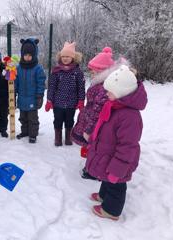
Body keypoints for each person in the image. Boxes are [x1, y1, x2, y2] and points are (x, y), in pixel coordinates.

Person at [85, 65, 147, 220]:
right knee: (107, 179)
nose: (106, 93)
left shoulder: (130, 117)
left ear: (122, 92)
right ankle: (103, 195)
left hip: (118, 161)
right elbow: (102, 124)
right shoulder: (114, 105)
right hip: (108, 154)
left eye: (109, 91)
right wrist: (94, 139)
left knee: (116, 184)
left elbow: (128, 147)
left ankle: (111, 211)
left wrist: (117, 170)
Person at [71, 47, 115, 179]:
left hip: (95, 124)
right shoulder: (99, 83)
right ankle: (91, 166)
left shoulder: (104, 87)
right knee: (92, 147)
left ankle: (93, 171)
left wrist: (89, 129)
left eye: (94, 71)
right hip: (89, 119)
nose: (91, 73)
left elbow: (98, 111)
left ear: (103, 71)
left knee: (95, 147)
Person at [45, 42, 85, 146]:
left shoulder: (77, 72)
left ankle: (68, 137)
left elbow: (81, 87)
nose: (65, 58)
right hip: (58, 103)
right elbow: (52, 87)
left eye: (68, 56)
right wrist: (49, 100)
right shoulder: (56, 71)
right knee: (58, 120)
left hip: (71, 103)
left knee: (69, 121)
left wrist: (81, 100)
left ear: (73, 57)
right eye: (63, 56)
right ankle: (57, 138)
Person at [15, 38, 46, 143]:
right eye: (25, 55)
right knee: (23, 118)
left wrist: (39, 96)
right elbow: (16, 81)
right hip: (22, 98)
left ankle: (33, 134)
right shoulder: (18, 68)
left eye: (30, 55)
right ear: (22, 55)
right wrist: (13, 92)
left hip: (33, 99)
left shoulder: (38, 68)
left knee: (32, 119)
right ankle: (25, 132)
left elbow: (41, 83)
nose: (27, 57)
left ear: (34, 55)